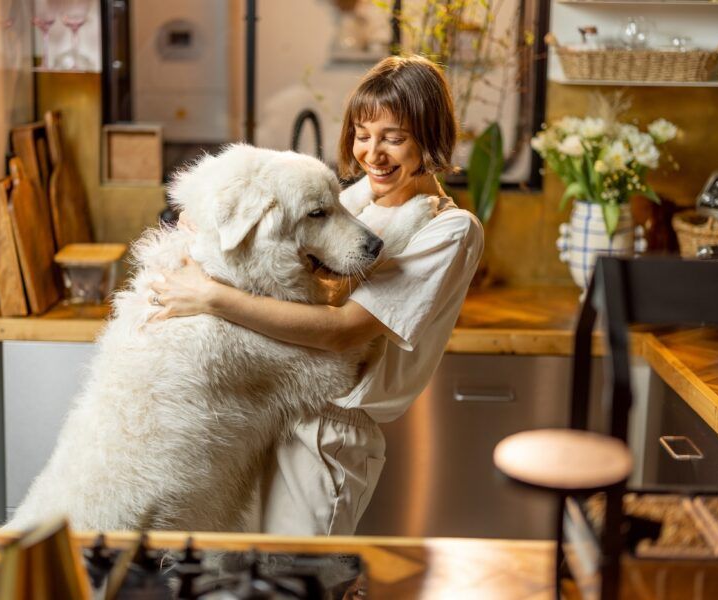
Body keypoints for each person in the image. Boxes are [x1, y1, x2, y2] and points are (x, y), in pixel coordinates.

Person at [148, 55, 484, 535]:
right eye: (363, 135)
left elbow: (343, 331)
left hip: (328, 434)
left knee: (297, 583)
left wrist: (210, 297)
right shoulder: (355, 201)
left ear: (429, 136)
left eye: (394, 137)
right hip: (269, 409)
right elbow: (303, 283)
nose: (373, 154)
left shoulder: (451, 229)